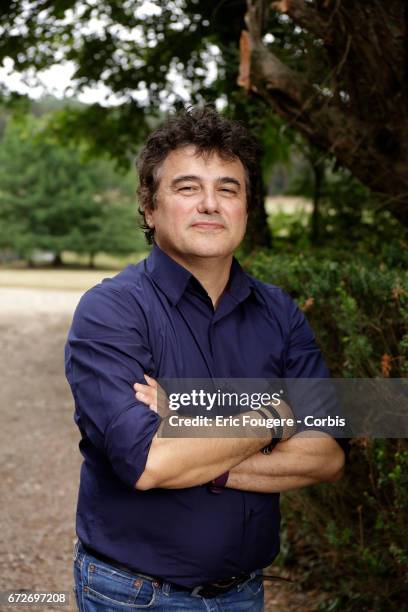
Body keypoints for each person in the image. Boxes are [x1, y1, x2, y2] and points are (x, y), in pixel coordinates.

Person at [65, 106, 348, 611]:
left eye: (228, 188)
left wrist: (188, 424)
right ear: (150, 209)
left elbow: (327, 456)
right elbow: (150, 464)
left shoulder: (280, 312)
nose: (210, 204)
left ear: (244, 207)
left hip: (245, 593)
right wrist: (276, 415)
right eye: (188, 188)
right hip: (133, 595)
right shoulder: (110, 310)